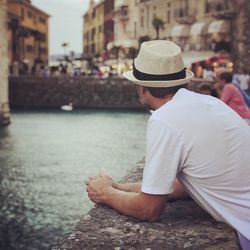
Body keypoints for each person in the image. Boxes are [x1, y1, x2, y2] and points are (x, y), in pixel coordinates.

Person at [86, 40, 250, 250]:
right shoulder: (210, 103)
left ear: (141, 88)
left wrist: (105, 194)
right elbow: (188, 185)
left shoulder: (164, 119)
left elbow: (149, 210)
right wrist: (119, 187)